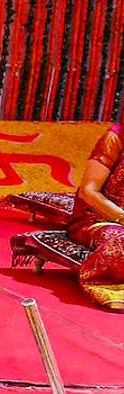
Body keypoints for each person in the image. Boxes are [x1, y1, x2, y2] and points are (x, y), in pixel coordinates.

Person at [68, 116, 124, 310]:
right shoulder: (115, 137)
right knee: (119, 240)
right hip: (100, 215)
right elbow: (88, 191)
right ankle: (110, 286)